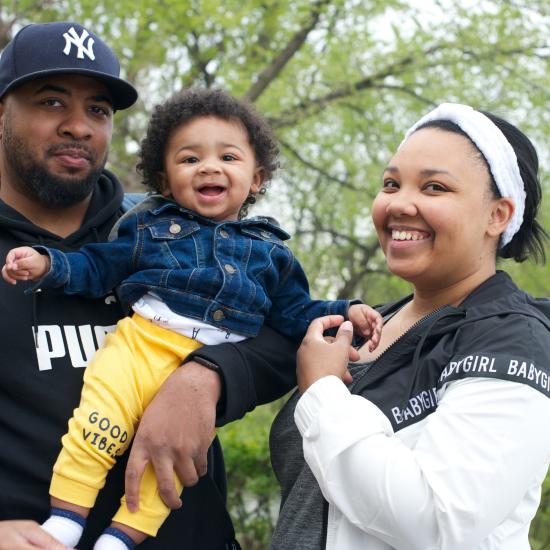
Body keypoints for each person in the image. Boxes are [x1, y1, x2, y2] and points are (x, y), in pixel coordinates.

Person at [2, 86, 382, 549]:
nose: (209, 167)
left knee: (167, 469)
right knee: (98, 426)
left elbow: (291, 319)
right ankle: (67, 517)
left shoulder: (269, 254)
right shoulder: (148, 230)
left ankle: (121, 537)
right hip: (142, 345)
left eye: (97, 109)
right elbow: (97, 266)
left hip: (196, 519)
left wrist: (343, 313)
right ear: (166, 181)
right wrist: (48, 263)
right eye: (51, 101)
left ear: (256, 178)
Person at [0, 21, 298, 550]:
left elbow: (282, 334)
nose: (78, 126)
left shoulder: (165, 229)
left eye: (98, 110)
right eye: (51, 102)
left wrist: (208, 377)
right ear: (2, 111)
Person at [270, 103, 550, 549]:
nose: (399, 204)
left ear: (497, 215)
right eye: (391, 184)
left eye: (434, 187)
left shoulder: (511, 339)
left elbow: (439, 521)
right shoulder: (363, 326)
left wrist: (322, 390)